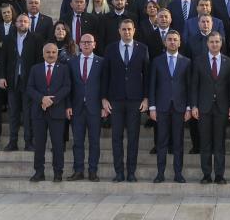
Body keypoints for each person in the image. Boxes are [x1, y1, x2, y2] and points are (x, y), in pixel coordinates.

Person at [102, 18, 149, 182]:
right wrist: (104, 98)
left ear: (134, 30)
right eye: (124, 29)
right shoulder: (110, 49)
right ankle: (119, 172)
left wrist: (146, 97)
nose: (127, 32)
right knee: (116, 138)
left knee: (133, 138)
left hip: (135, 100)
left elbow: (147, 76)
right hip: (115, 99)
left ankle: (131, 172)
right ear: (119, 31)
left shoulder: (142, 48)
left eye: (129, 29)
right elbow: (105, 75)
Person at [148, 31, 192, 183]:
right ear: (165, 42)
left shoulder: (186, 62)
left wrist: (188, 108)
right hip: (161, 107)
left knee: (178, 142)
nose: (172, 42)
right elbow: (152, 85)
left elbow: (189, 87)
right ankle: (160, 173)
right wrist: (152, 107)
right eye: (170, 40)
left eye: (175, 40)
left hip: (179, 108)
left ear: (179, 42)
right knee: (161, 141)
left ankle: (178, 173)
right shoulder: (157, 61)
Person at [191, 32, 230, 184]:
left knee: (219, 143)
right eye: (212, 42)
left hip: (222, 108)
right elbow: (194, 85)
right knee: (205, 142)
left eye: (217, 41)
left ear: (221, 43)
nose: (214, 44)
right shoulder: (198, 61)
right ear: (207, 43)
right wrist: (194, 105)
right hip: (204, 107)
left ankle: (220, 175)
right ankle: (207, 174)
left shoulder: (229, 62)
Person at [28, 41, 72, 182]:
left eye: (53, 52)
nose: (51, 54)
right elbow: (29, 88)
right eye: (48, 52)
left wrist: (52, 100)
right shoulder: (35, 69)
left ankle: (58, 172)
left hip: (57, 112)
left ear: (57, 54)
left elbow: (67, 87)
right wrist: (42, 99)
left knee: (58, 144)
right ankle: (39, 172)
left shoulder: (64, 68)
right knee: (39, 144)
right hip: (39, 112)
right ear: (43, 54)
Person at [67, 32, 108, 180]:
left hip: (95, 108)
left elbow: (105, 84)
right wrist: (68, 105)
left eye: (89, 42)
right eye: (83, 42)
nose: (86, 44)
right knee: (77, 141)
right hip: (77, 108)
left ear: (94, 44)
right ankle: (78, 171)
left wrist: (104, 105)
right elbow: (68, 86)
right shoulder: (71, 62)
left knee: (94, 142)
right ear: (79, 44)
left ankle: (92, 171)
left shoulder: (101, 62)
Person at [2, 13, 37, 152]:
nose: (22, 23)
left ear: (29, 24)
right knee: (13, 113)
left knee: (28, 113)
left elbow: (38, 61)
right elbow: (2, 59)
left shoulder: (35, 38)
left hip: (29, 81)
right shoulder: (8, 38)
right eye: (20, 21)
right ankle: (13, 141)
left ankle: (29, 142)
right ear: (15, 24)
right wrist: (1, 77)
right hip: (13, 80)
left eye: (25, 21)